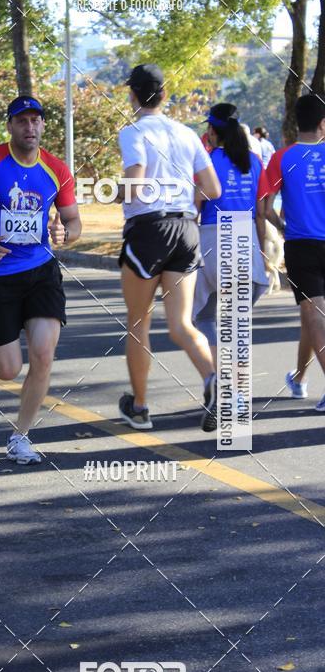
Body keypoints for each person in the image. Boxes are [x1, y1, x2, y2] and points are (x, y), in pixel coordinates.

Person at [0, 95, 81, 465]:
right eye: (21, 121)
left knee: (43, 355)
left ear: (42, 126)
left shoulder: (56, 169)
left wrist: (65, 234)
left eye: (36, 121)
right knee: (9, 368)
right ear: (9, 126)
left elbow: (74, 222)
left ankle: (20, 436)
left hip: (41, 272)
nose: (30, 128)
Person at [117, 63, 221, 432]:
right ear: (164, 94)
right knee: (180, 322)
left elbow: (135, 182)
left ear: (133, 95)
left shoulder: (133, 132)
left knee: (138, 322)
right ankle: (212, 380)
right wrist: (184, 199)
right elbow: (213, 188)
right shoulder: (186, 133)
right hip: (186, 227)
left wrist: (116, 192)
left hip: (149, 228)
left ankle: (141, 408)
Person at [193, 103, 270, 366]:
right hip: (245, 237)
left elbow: (194, 209)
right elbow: (260, 213)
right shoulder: (255, 161)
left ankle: (218, 374)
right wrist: (263, 254)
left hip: (212, 240)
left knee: (202, 317)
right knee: (237, 322)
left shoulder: (206, 162)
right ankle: (234, 388)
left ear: (212, 131)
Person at [265, 93, 325, 412]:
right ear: (323, 124)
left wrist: (283, 224)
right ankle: (299, 379)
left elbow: (265, 206)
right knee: (310, 316)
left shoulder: (282, 158)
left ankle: (305, 379)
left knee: (313, 314)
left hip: (301, 245)